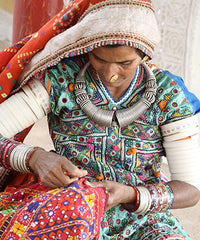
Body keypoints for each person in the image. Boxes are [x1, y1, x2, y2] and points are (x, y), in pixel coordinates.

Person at [0, 0, 199, 239]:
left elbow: (190, 190)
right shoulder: (62, 80)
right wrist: (34, 158)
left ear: (145, 54)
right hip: (66, 206)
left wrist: (131, 195)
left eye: (125, 63)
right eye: (100, 59)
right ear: (88, 49)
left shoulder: (168, 94)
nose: (110, 73)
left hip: (141, 218)